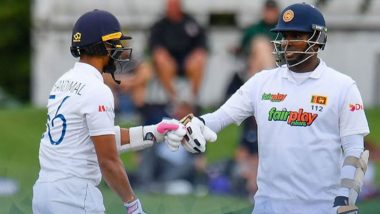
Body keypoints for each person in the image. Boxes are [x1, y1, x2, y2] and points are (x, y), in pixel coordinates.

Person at [178, 3, 370, 214]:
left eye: (296, 35)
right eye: (284, 35)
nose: (287, 42)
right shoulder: (262, 82)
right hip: (268, 207)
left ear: (317, 39)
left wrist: (346, 198)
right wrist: (199, 123)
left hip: (321, 208)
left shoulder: (342, 86)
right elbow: (221, 117)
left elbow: (354, 150)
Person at [32, 9, 186, 214]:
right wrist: (133, 205)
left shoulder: (63, 81)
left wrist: (155, 132)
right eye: (115, 43)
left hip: (44, 192)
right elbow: (108, 160)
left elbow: (95, 138)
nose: (119, 50)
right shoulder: (97, 90)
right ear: (103, 45)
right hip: (74, 196)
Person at [148, 0, 207, 107]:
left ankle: (192, 99)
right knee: (161, 60)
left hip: (188, 59)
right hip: (169, 61)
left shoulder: (191, 22)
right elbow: (154, 46)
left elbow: (201, 44)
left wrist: (197, 54)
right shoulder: (159, 25)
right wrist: (161, 54)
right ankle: (174, 99)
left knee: (199, 60)